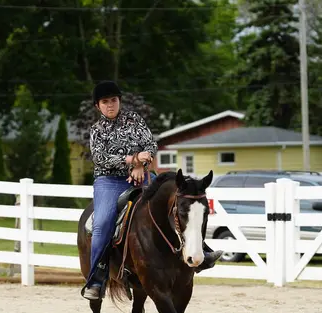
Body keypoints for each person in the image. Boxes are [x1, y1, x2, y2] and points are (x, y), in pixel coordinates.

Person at [82, 80, 223, 301]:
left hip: (142, 174)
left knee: (174, 200)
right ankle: (97, 278)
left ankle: (201, 252)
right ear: (97, 106)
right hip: (109, 180)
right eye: (105, 102)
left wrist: (140, 165)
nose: (110, 105)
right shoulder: (96, 130)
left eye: (114, 100)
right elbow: (101, 158)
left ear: (119, 101)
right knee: (102, 222)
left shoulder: (134, 120)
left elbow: (150, 144)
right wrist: (133, 160)